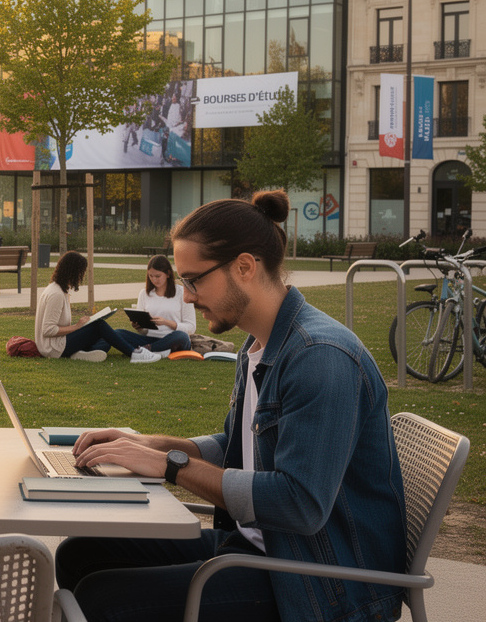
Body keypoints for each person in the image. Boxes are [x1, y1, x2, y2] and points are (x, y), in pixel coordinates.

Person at [55, 190, 406, 622]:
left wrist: (171, 466)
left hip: (319, 581)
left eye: (193, 280)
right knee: (81, 554)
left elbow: (299, 504)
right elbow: (238, 445)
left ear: (244, 267)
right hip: (264, 547)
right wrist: (150, 445)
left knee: (106, 600)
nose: (186, 296)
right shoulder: (259, 344)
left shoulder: (321, 356)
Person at [34, 250, 136, 362]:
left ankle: (80, 354)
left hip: (57, 343)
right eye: (81, 272)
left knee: (105, 340)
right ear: (73, 272)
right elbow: (48, 330)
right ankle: (135, 353)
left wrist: (82, 326)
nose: (81, 277)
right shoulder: (56, 294)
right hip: (53, 348)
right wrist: (77, 326)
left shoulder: (59, 289)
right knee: (99, 325)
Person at [114, 253, 196, 363]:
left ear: (168, 274)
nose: (154, 280)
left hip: (172, 339)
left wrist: (167, 322)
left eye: (157, 276)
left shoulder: (182, 293)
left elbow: (191, 327)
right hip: (149, 339)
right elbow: (144, 332)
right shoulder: (144, 294)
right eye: (151, 276)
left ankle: (144, 351)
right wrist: (139, 327)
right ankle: (156, 350)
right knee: (118, 333)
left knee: (182, 336)